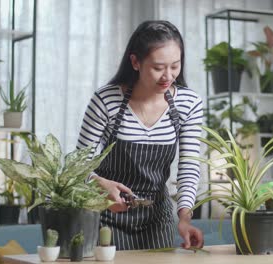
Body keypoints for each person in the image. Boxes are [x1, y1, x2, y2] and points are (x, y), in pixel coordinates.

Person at [76, 20, 204, 250]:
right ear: (135, 62)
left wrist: (184, 218)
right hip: (106, 217)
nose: (168, 76)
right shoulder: (106, 101)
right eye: (158, 67)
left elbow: (189, 167)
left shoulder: (188, 104)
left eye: (175, 66)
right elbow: (78, 164)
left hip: (157, 219)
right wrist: (100, 185)